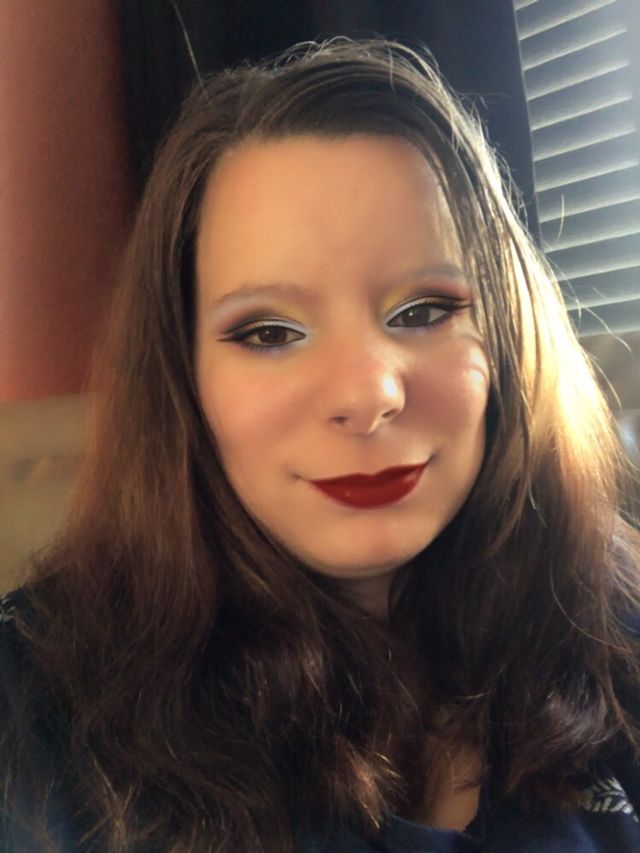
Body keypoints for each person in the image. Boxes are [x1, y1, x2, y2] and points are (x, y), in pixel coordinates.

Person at [2, 36, 640, 853]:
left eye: (424, 311)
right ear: (182, 377)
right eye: (269, 331)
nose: (367, 395)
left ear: (509, 342)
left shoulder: (609, 620)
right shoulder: (32, 705)